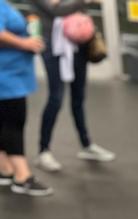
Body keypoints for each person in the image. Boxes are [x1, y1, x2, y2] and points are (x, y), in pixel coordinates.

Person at [30, 0, 114, 172]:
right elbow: (57, 11)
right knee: (56, 99)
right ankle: (43, 151)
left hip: (77, 46)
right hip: (54, 49)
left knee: (78, 98)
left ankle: (86, 144)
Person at [0, 0, 52, 196]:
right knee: (14, 122)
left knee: (4, 122)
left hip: (10, 74)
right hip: (6, 77)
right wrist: (24, 43)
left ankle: (5, 169)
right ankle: (22, 177)